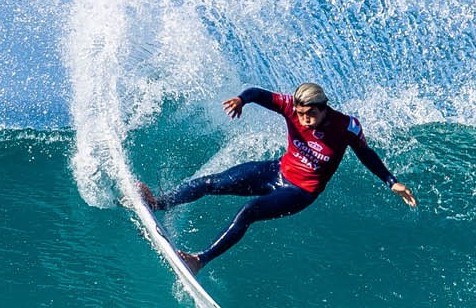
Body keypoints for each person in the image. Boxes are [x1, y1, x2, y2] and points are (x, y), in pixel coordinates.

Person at [138, 82, 416, 274]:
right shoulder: (290, 106)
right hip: (277, 170)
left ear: (324, 108)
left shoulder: (347, 127)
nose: (304, 119)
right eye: (300, 113)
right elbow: (259, 94)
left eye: (311, 114)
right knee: (211, 182)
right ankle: (159, 203)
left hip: (300, 191)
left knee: (249, 211)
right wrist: (242, 100)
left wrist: (392, 182)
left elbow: (366, 154)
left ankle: (199, 261)